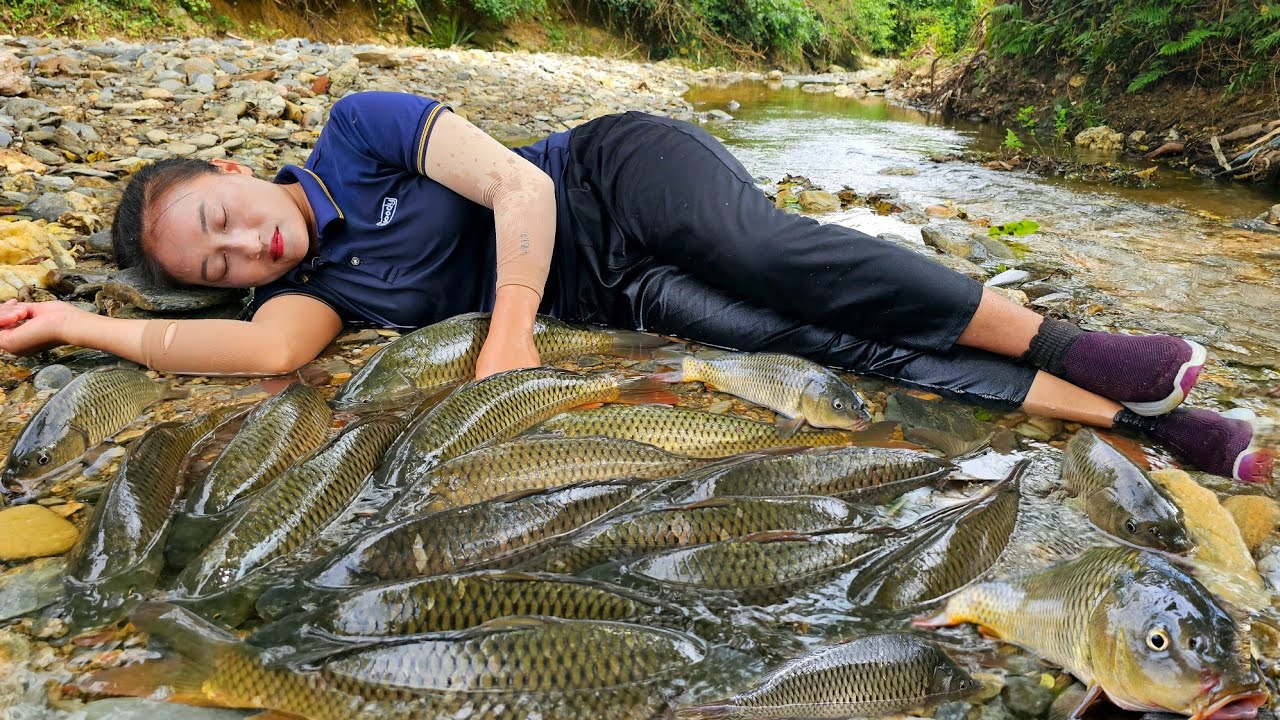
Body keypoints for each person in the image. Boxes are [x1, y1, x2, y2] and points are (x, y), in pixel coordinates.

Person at [0, 91, 1269, 482]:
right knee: (819, 349)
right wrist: (75, 325)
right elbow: (264, 360)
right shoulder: (324, 291)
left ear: (235, 168)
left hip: (614, 180)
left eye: (222, 220)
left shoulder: (356, 130)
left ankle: (1083, 345)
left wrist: (504, 336)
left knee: (770, 254)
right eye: (212, 267)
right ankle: (1147, 424)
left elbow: (523, 195)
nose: (242, 253)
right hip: (623, 294)